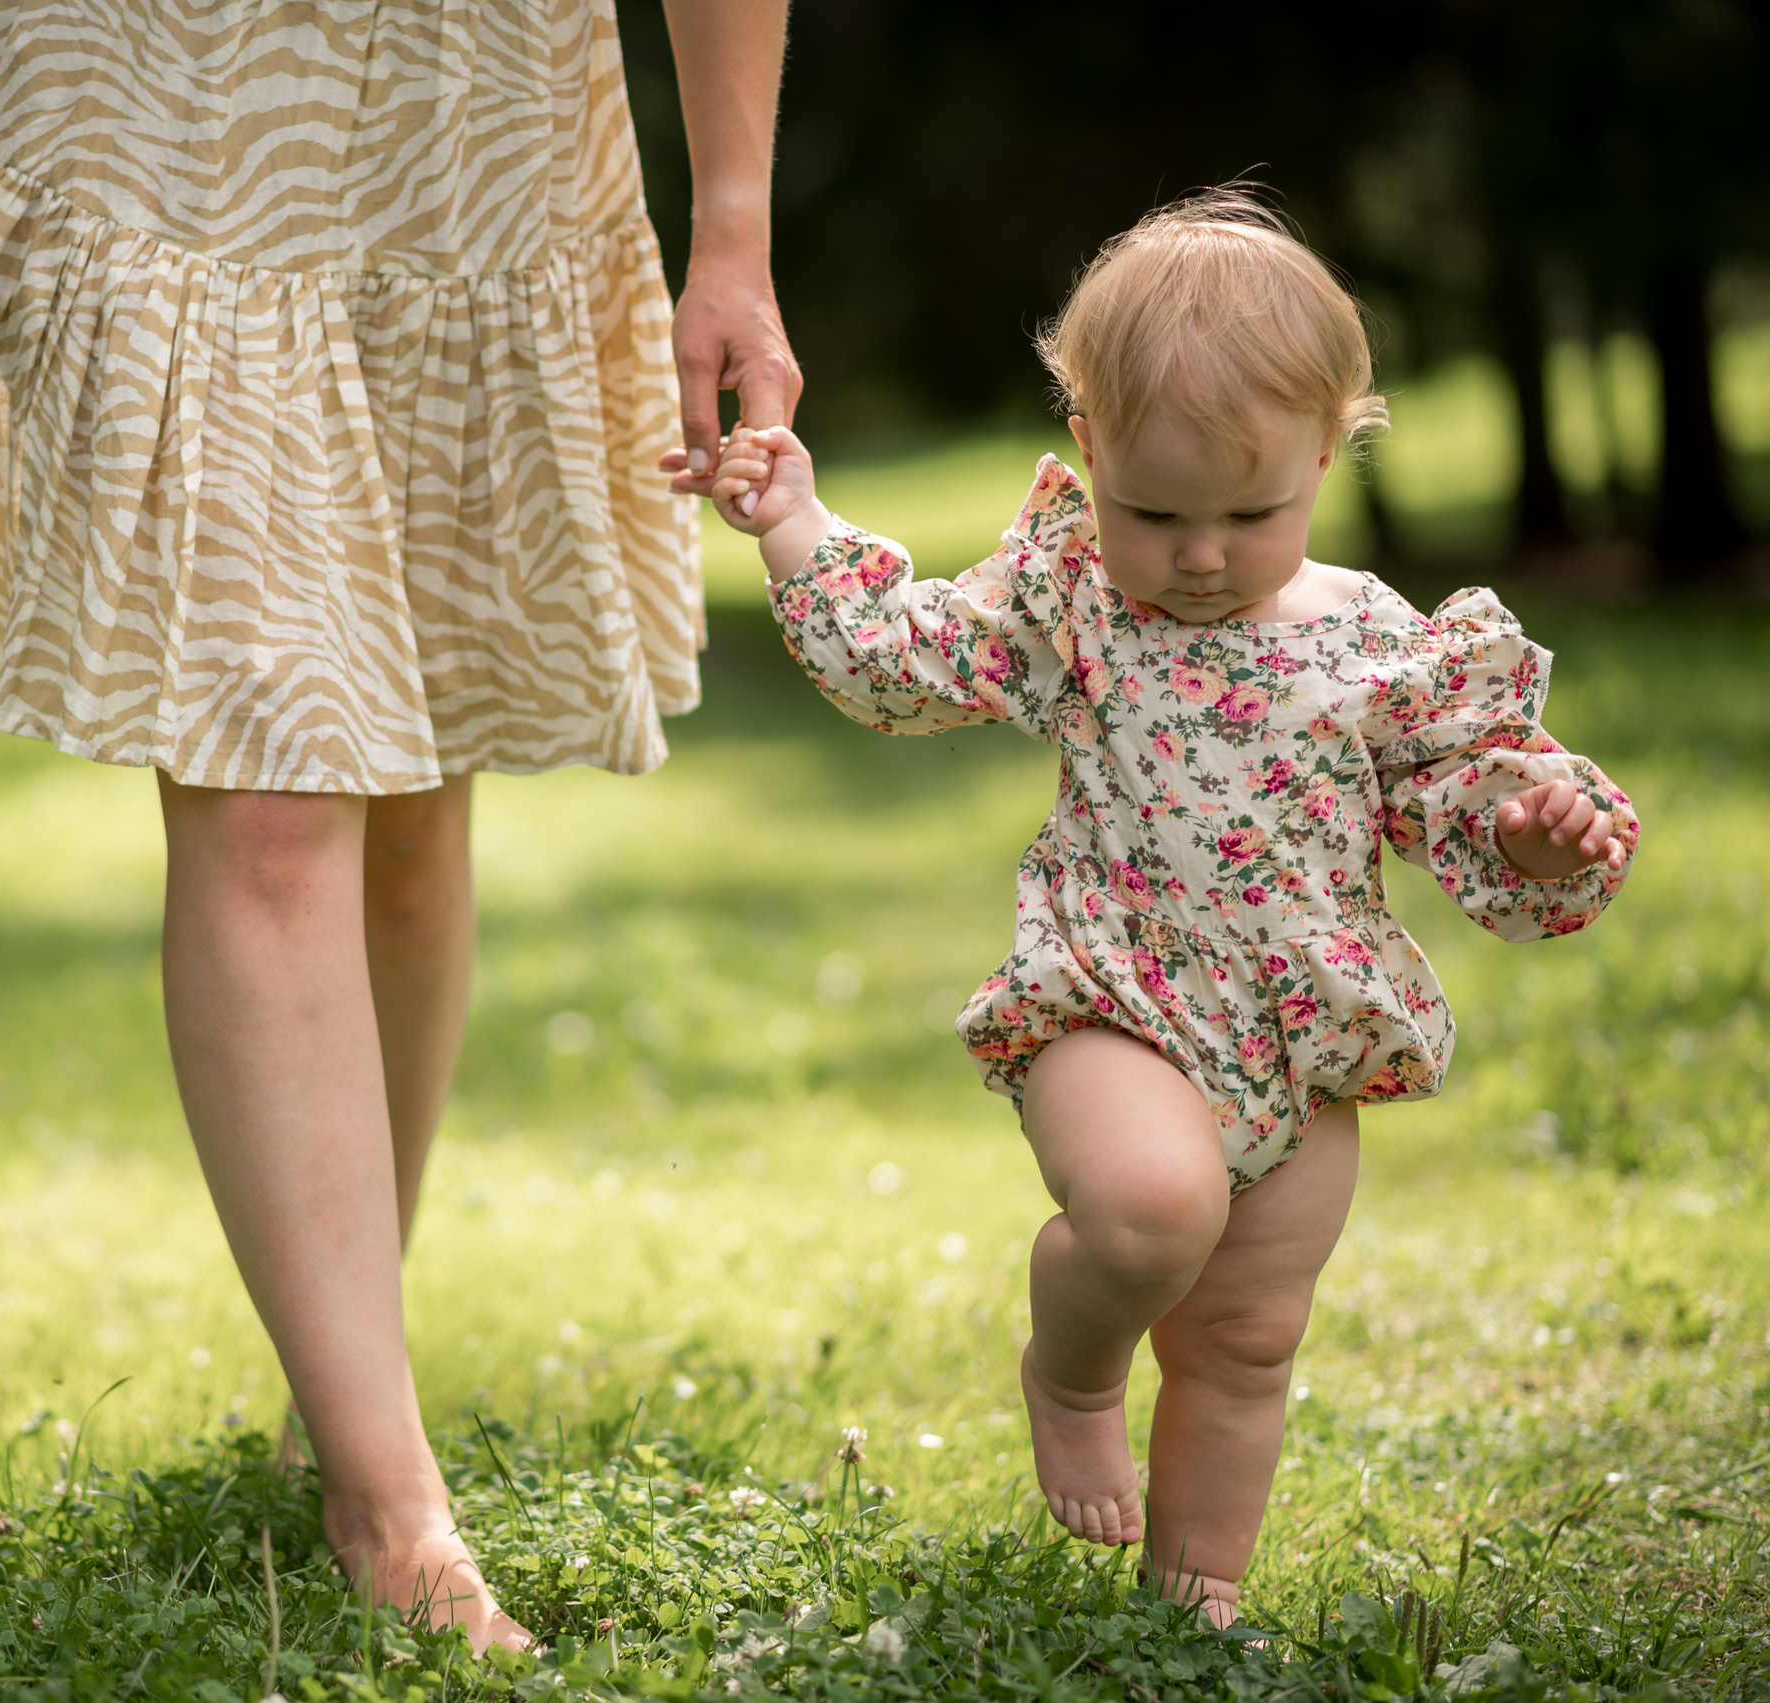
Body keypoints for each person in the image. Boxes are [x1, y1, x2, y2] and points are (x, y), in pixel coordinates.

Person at [0, 0, 798, 1655]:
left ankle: (341, 1395)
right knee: (276, 790)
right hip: (150, 81)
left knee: (414, 801)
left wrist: (734, 231)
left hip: (461, 104)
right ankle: (385, 1499)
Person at [697, 189, 1637, 1628]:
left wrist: (1539, 833)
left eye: (1250, 514)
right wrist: (797, 524)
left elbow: (1461, 817)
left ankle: (1194, 1597)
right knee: (1151, 1210)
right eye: (1155, 513)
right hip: (1114, 996)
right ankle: (1071, 1373)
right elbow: (902, 662)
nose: (1199, 556)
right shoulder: (1075, 601)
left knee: (1248, 1338)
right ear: (1088, 453)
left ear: (1329, 448)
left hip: (1301, 1039)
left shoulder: (1380, 646)